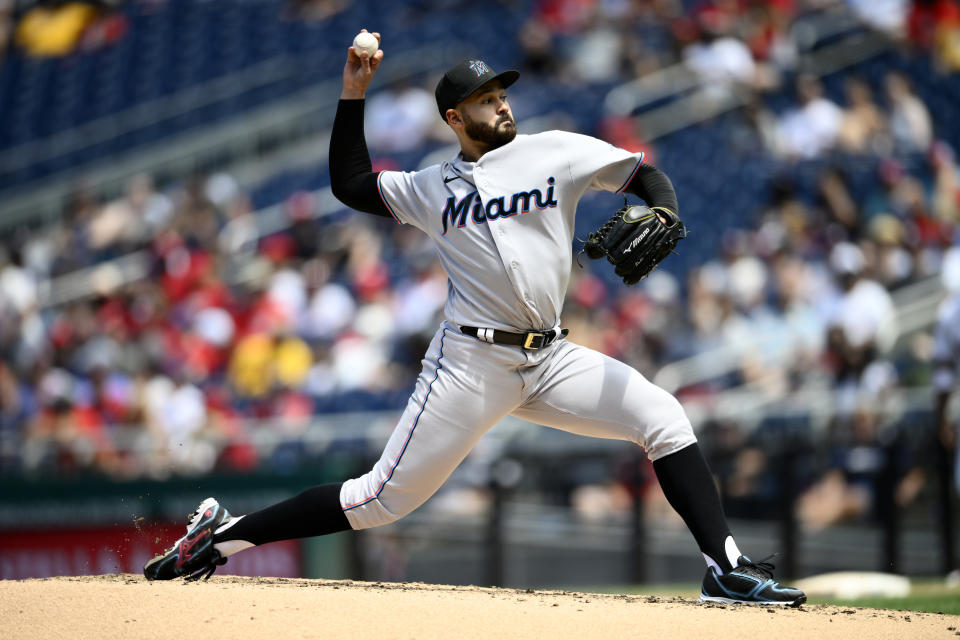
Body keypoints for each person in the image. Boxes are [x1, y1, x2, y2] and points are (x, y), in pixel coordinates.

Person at [144, 31, 806, 606]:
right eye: (489, 99)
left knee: (663, 418)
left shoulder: (554, 149)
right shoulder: (431, 187)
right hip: (470, 364)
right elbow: (350, 185)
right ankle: (223, 538)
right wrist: (353, 93)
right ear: (456, 117)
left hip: (549, 358)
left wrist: (663, 208)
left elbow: (642, 174)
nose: (503, 103)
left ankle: (725, 569)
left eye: (504, 93)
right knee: (380, 501)